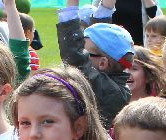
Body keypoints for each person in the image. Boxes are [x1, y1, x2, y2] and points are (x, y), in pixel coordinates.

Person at [56, 2, 133, 130]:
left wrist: (71, 8)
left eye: (85, 52)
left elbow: (75, 58)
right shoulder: (112, 82)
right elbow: (104, 34)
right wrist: (106, 8)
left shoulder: (111, 92)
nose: (83, 54)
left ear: (103, 63)